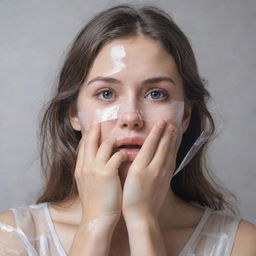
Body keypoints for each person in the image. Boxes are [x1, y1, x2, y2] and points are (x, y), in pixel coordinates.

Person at [0, 4, 255, 256]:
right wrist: (96, 223)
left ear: (185, 115)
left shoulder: (239, 244)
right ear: (74, 114)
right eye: (107, 93)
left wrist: (143, 222)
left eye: (156, 94)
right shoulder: (13, 238)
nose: (131, 116)